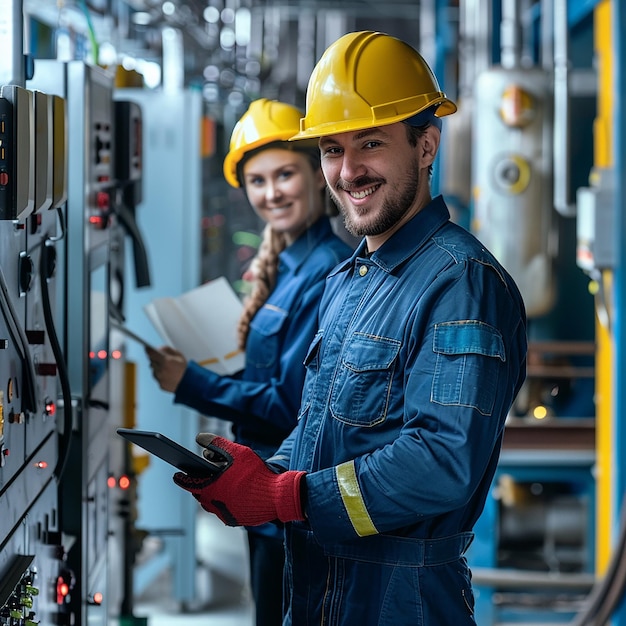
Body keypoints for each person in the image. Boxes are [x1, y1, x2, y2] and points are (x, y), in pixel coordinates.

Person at [172, 31, 528, 626]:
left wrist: (287, 497)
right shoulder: (347, 281)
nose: (349, 171)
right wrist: (257, 475)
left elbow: (442, 461)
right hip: (317, 588)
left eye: (370, 143)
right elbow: (324, 429)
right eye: (332, 150)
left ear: (425, 146)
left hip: (402, 601)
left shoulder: (460, 282)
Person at [145, 98, 353, 626]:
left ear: (315, 173)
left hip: (285, 491)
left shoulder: (324, 269)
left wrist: (191, 382)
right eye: (257, 181)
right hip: (261, 491)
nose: (271, 193)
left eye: (284, 174)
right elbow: (274, 374)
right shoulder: (288, 263)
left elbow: (289, 401)